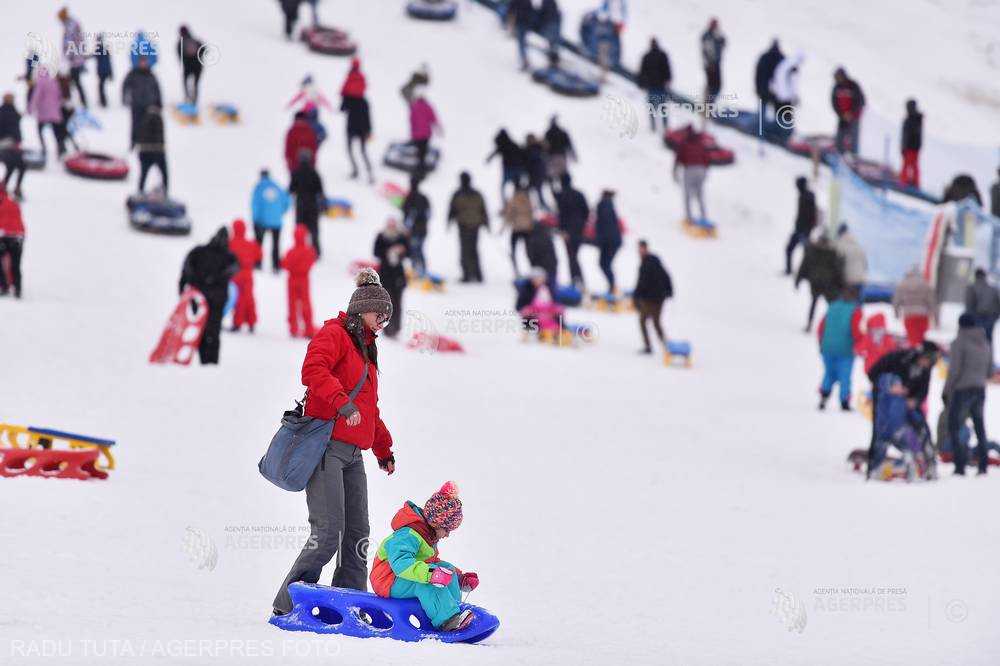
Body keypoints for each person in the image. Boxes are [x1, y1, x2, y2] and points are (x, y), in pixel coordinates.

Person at [273, 268, 396, 616]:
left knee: (357, 532)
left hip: (354, 455)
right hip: (326, 447)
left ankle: (348, 604)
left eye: (387, 318)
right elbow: (312, 370)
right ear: (362, 310)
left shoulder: (367, 350)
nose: (382, 323)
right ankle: (289, 604)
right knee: (328, 532)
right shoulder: (335, 334)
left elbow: (370, 409)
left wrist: (383, 450)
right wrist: (342, 402)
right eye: (379, 315)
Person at [369, 481, 478, 632]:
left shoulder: (427, 535)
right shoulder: (407, 534)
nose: (447, 535)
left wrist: (460, 579)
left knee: (446, 569)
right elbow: (401, 564)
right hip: (388, 580)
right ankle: (448, 620)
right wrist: (430, 574)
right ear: (435, 523)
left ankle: (454, 609)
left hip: (404, 578)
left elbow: (433, 563)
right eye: (446, 530)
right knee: (428, 580)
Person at [865, 342, 940, 478]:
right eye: (928, 360)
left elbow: (923, 391)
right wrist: (889, 388)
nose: (928, 365)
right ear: (922, 356)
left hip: (907, 403)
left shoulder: (925, 369)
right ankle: (873, 466)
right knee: (881, 432)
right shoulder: (899, 359)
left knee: (921, 427)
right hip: (885, 401)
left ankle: (928, 461)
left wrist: (914, 400)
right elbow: (873, 374)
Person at [178, 228, 239, 365]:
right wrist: (216, 279)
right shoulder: (228, 257)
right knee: (213, 329)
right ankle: (211, 361)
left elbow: (187, 269)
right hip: (216, 298)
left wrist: (183, 288)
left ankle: (204, 359)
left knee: (202, 328)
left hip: (199, 298)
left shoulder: (199, 252)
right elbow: (234, 268)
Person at [943, 313, 992, 476]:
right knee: (979, 426)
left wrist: (947, 390)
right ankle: (983, 465)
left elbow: (954, 370)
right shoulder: (985, 342)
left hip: (962, 389)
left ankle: (960, 465)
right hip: (979, 389)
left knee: (954, 426)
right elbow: (990, 370)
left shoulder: (959, 342)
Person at [870, 373, 933, 481]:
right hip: (886, 433)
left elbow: (910, 413)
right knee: (880, 449)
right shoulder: (884, 400)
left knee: (912, 437)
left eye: (900, 385)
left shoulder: (901, 400)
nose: (899, 388)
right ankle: (876, 468)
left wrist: (918, 419)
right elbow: (882, 418)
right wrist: (885, 429)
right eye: (896, 385)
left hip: (900, 432)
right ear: (888, 387)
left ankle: (917, 462)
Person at [816, 286, 863, 410]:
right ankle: (844, 401)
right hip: (845, 348)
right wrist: (859, 344)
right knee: (845, 375)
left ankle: (824, 396)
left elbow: (821, 326)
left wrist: (821, 342)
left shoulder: (832, 307)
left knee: (829, 373)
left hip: (827, 346)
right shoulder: (855, 310)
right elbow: (856, 331)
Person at [795, 234, 843, 332]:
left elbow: (804, 266)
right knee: (831, 305)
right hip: (827, 283)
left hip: (815, 281)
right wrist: (840, 284)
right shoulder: (831, 253)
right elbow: (837, 270)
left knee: (814, 303)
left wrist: (798, 280)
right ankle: (832, 325)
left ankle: (809, 324)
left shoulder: (812, 251)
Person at [633, 240, 673, 355]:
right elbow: (666, 276)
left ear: (646, 248)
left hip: (653, 298)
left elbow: (642, 282)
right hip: (656, 297)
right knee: (655, 322)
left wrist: (636, 295)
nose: (640, 251)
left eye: (641, 249)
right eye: (639, 249)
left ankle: (650, 346)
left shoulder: (649, 263)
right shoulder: (651, 261)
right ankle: (664, 345)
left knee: (644, 320)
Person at [447, 171, 489, 283]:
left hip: (465, 225)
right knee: (472, 250)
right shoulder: (476, 193)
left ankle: (468, 275)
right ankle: (477, 275)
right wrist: (486, 223)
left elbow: (452, 209)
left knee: (466, 251)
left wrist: (449, 221)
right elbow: (483, 209)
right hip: (473, 225)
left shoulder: (458, 194)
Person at [373, 218, 409, 339]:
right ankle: (387, 329)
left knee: (398, 303)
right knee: (386, 304)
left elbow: (409, 252)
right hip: (385, 275)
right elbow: (376, 252)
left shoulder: (401, 237)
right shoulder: (381, 236)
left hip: (398, 276)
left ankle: (396, 328)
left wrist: (401, 251)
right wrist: (388, 252)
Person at [340, 58, 373, 183]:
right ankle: (370, 173)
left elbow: (342, 108)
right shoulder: (364, 100)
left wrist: (345, 98)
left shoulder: (348, 88)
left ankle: (355, 170)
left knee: (349, 149)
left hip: (351, 125)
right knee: (363, 151)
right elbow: (368, 116)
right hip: (363, 126)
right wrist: (369, 129)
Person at [281, 224, 317, 338]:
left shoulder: (290, 252)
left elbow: (284, 264)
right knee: (305, 304)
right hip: (303, 280)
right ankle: (308, 329)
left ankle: (293, 328)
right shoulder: (309, 251)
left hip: (292, 280)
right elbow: (311, 263)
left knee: (292, 304)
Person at [251, 169, 290, 272]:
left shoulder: (258, 187)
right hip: (276, 221)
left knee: (259, 244)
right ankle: (276, 265)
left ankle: (258, 263)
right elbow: (287, 200)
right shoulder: (276, 186)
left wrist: (255, 219)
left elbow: (255, 205)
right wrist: (280, 212)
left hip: (262, 221)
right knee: (276, 244)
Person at [289, 151, 325, 257]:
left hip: (300, 205)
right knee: (314, 231)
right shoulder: (314, 172)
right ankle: (316, 252)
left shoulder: (295, 172)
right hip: (313, 205)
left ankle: (300, 252)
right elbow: (320, 191)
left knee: (300, 231)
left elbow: (291, 189)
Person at [228, 219, 262, 333]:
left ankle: (237, 323)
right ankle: (252, 322)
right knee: (249, 299)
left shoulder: (231, 243)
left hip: (236, 275)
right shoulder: (251, 243)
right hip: (248, 275)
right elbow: (259, 255)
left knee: (238, 300)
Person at [555, 173, 588, 288]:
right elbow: (586, 211)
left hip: (568, 231)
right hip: (579, 229)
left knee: (571, 255)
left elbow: (561, 215)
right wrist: (582, 224)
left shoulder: (561, 195)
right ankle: (578, 279)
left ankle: (577, 280)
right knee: (574, 255)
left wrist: (562, 231)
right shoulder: (579, 194)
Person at [121, 56, 162, 150]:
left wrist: (159, 103)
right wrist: (124, 98)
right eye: (142, 62)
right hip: (136, 104)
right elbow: (125, 85)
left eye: (145, 62)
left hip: (149, 105)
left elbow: (157, 89)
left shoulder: (151, 74)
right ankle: (133, 143)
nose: (143, 64)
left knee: (147, 126)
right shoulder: (133, 73)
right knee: (135, 125)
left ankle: (145, 145)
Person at [672, 125, 710, 223]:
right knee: (700, 194)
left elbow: (678, 158)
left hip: (690, 169)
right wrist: (705, 171)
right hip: (701, 169)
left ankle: (689, 218)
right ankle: (704, 217)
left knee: (687, 194)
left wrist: (674, 171)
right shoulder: (700, 142)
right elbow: (706, 157)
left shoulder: (684, 142)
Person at [892, 267, 937, 347]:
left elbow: (896, 300)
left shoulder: (903, 284)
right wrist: (935, 317)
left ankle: (914, 352)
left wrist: (896, 313)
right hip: (923, 315)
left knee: (912, 337)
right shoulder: (925, 284)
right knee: (921, 337)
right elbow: (931, 302)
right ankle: (920, 352)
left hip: (909, 315)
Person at [965, 268, 1000, 366]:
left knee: (975, 341)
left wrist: (969, 320)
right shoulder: (993, 289)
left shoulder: (972, 287)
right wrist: (995, 317)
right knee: (988, 341)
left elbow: (969, 305)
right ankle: (988, 363)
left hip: (976, 319)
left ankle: (976, 363)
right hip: (990, 319)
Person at [502, 178, 535, 278]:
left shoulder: (513, 200)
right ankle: (533, 270)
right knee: (529, 251)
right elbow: (532, 214)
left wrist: (502, 229)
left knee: (513, 251)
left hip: (516, 229)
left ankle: (516, 270)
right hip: (528, 229)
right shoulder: (528, 199)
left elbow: (508, 216)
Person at [27, 69, 64, 158]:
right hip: (55, 112)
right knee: (57, 132)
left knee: (40, 131)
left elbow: (36, 96)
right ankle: (60, 148)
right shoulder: (54, 82)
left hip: (43, 112)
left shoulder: (40, 82)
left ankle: (44, 149)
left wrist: (30, 108)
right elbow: (59, 96)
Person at [637, 38, 672, 133]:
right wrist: (668, 80)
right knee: (663, 108)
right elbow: (667, 70)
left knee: (652, 108)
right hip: (661, 87)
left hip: (651, 87)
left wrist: (641, 84)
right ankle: (665, 126)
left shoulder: (646, 56)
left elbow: (642, 72)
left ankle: (653, 126)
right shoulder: (662, 55)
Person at [785, 176, 816, 275]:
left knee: (804, 252)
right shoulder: (804, 196)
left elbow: (810, 216)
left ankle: (808, 272)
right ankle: (792, 270)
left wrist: (806, 230)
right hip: (801, 229)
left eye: (797, 184)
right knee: (792, 249)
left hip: (803, 230)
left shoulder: (806, 197)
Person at [58, 7, 88, 108]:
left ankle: (73, 102)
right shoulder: (72, 24)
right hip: (75, 59)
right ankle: (75, 101)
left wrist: (69, 56)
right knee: (73, 81)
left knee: (72, 81)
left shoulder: (71, 25)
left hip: (74, 60)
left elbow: (70, 42)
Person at [486, 129, 526, 205]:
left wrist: (489, 159)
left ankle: (506, 203)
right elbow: (522, 153)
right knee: (517, 186)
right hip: (518, 169)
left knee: (503, 187)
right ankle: (520, 201)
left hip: (509, 170)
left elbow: (495, 152)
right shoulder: (513, 144)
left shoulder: (502, 145)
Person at [831, 67, 865, 155]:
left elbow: (860, 101)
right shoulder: (836, 87)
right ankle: (839, 155)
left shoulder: (853, 85)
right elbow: (834, 102)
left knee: (853, 138)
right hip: (842, 117)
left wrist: (851, 113)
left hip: (854, 116)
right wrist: (841, 114)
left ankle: (854, 157)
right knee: (840, 138)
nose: (836, 79)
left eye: (838, 77)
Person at [402, 175, 430, 277]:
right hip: (421, 229)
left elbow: (407, 216)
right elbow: (428, 214)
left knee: (415, 250)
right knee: (417, 250)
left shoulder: (410, 198)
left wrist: (408, 226)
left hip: (416, 230)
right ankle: (420, 271)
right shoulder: (422, 198)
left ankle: (419, 272)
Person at [135, 105, 168, 195]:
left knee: (143, 175)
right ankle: (165, 193)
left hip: (144, 150)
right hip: (157, 151)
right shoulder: (158, 117)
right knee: (164, 174)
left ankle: (140, 192)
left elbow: (136, 132)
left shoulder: (141, 116)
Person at [594, 189, 622, 294]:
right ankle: (612, 286)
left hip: (609, 242)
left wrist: (600, 240)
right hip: (612, 241)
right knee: (605, 264)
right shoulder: (609, 205)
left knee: (604, 264)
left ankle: (612, 287)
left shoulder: (603, 205)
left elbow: (604, 225)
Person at [408, 88, 440, 176]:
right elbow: (433, 117)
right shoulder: (427, 106)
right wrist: (438, 128)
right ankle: (422, 166)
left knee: (419, 150)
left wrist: (412, 133)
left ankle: (419, 167)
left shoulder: (414, 106)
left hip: (417, 134)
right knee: (424, 150)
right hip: (426, 133)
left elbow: (412, 121)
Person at [0, 189, 25, 298]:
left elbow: (3, 222)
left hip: (7, 237)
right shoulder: (13, 203)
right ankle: (17, 288)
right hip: (18, 237)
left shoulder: (3, 205)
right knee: (16, 264)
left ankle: (4, 286)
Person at [0, 94, 26, 199]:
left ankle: (8, 186)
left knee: (18, 165)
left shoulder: (12, 111)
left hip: (13, 144)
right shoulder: (5, 112)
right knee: (17, 165)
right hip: (5, 145)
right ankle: (10, 187)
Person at [544, 115, 576, 189]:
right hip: (561, 156)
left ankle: (556, 192)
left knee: (552, 176)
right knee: (562, 175)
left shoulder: (548, 133)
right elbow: (569, 145)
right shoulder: (562, 132)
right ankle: (566, 190)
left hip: (551, 157)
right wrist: (573, 155)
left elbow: (545, 146)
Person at [754, 39, 784, 118]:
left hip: (763, 89)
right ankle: (776, 127)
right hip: (775, 91)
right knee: (777, 111)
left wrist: (758, 88)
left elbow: (758, 74)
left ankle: (760, 126)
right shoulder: (781, 58)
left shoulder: (764, 57)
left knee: (762, 112)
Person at [834, 223, 867, 292]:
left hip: (847, 281)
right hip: (860, 280)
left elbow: (836, 265)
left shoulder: (839, 245)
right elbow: (865, 265)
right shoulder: (857, 245)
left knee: (845, 301)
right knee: (856, 302)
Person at [176, 25, 205, 105]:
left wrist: (185, 60)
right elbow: (204, 49)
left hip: (188, 66)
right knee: (195, 84)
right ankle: (194, 101)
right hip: (198, 66)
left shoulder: (181, 42)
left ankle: (187, 98)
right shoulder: (195, 40)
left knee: (185, 82)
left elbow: (179, 55)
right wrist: (198, 56)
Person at [526, 218, 558, 287]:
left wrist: (533, 265)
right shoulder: (547, 236)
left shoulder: (532, 239)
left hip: (539, 268)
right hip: (551, 266)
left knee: (539, 288)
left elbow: (530, 254)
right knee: (551, 287)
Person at [700, 18, 726, 104]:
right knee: (713, 86)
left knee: (716, 86)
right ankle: (707, 105)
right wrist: (710, 63)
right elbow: (707, 51)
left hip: (716, 63)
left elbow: (723, 43)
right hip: (711, 64)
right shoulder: (708, 36)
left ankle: (709, 104)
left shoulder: (716, 35)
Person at [507, 0, 536, 71]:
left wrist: (511, 26)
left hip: (520, 23)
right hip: (525, 23)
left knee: (521, 43)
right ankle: (525, 61)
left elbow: (511, 12)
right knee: (522, 42)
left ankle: (525, 61)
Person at [899, 99, 922, 188]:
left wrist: (904, 147)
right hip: (912, 146)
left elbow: (908, 134)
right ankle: (910, 181)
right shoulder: (914, 118)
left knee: (908, 164)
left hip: (911, 147)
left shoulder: (913, 119)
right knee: (911, 164)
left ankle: (904, 182)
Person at [524, 134, 550, 210]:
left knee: (537, 189)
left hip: (537, 172)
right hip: (535, 172)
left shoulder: (535, 148)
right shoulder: (532, 148)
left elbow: (546, 147)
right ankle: (537, 204)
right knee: (535, 189)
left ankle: (541, 205)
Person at [93, 33, 113, 108]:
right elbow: (109, 62)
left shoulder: (99, 49)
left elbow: (93, 56)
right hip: (105, 71)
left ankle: (103, 102)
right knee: (101, 86)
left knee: (101, 86)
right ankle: (103, 101)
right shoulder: (105, 49)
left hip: (102, 71)